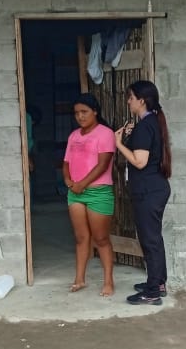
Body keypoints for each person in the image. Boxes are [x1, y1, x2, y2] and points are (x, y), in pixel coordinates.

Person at [114, 80, 172, 305]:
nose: (128, 101)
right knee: (154, 239)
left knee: (150, 241)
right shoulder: (151, 123)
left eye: (131, 97)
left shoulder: (145, 126)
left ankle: (152, 292)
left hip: (148, 191)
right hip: (155, 188)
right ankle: (158, 283)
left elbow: (139, 161)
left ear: (142, 100)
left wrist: (119, 144)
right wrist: (129, 138)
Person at [62, 93, 116, 297]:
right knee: (81, 237)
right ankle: (79, 279)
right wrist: (68, 181)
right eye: (76, 113)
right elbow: (66, 163)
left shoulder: (105, 134)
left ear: (95, 112)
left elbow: (103, 165)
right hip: (75, 193)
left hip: (98, 193)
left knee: (101, 238)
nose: (80, 116)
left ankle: (108, 281)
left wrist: (82, 184)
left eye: (84, 112)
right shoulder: (74, 136)